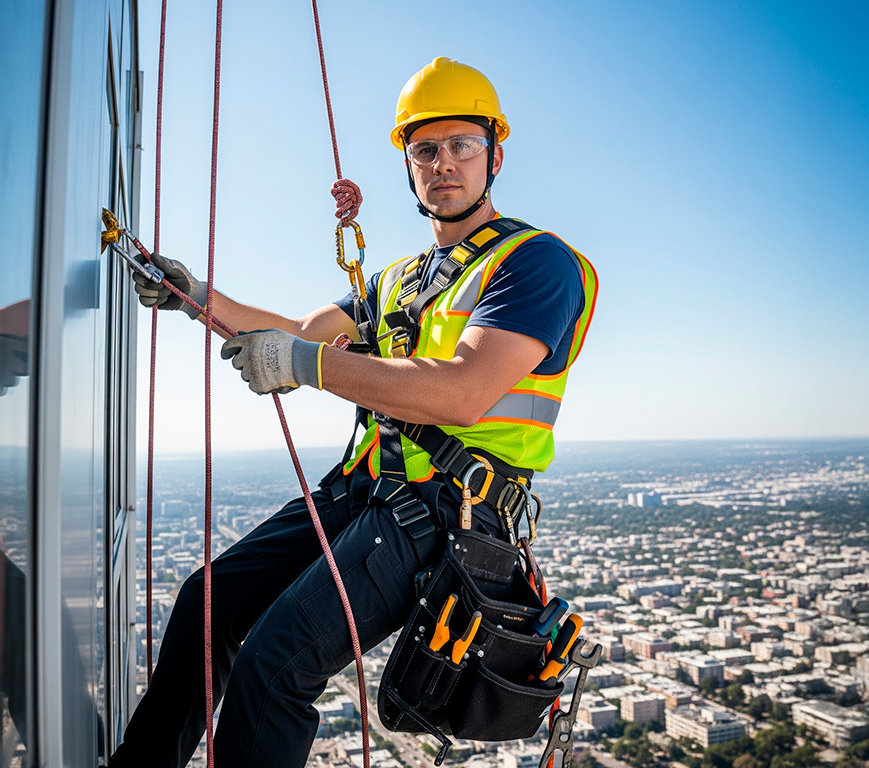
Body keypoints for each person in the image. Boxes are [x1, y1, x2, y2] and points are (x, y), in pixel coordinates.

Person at [110, 56, 597, 768]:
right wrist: (197, 296)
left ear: (494, 154)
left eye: (462, 145)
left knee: (273, 673)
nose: (443, 165)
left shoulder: (535, 264)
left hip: (445, 513)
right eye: (424, 149)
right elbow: (301, 335)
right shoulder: (400, 278)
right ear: (408, 164)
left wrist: (302, 365)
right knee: (205, 605)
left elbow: (462, 390)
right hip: (363, 491)